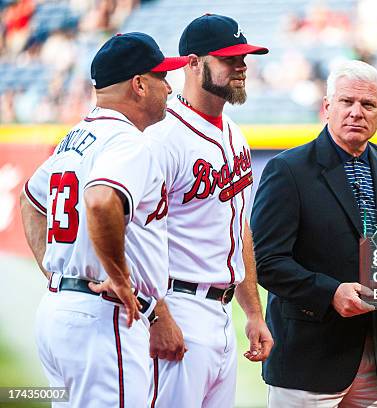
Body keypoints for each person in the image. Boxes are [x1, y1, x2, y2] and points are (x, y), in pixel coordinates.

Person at [19, 32, 187, 407]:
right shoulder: (127, 141)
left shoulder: (77, 136)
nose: (169, 87)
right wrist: (120, 277)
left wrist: (57, 272)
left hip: (59, 310)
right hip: (102, 317)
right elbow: (99, 200)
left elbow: (31, 200)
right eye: (162, 77)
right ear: (139, 85)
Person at [251, 60, 377, 407]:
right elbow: (266, 261)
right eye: (346, 102)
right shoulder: (288, 169)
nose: (356, 112)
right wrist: (330, 292)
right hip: (308, 361)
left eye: (367, 105)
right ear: (327, 107)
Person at [144, 14, 273, 408]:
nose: (242, 67)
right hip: (177, 304)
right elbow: (131, 231)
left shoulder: (234, 133)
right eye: (229, 59)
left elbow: (239, 227)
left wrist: (253, 311)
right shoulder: (162, 137)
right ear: (193, 62)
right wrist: (156, 314)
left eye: (244, 58)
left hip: (220, 313)